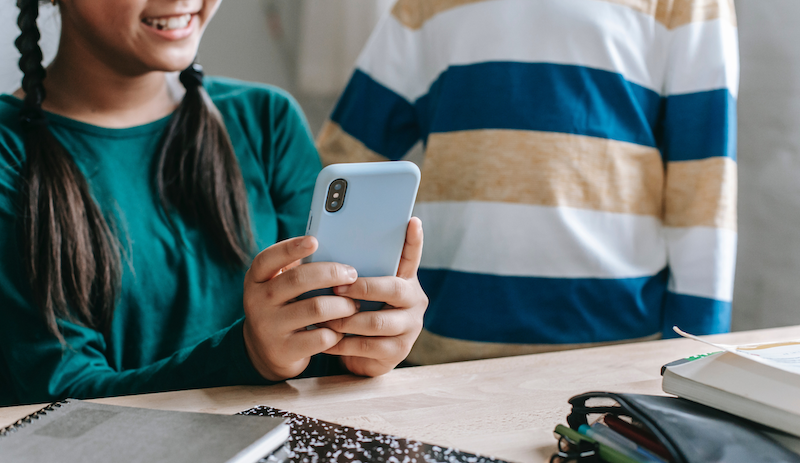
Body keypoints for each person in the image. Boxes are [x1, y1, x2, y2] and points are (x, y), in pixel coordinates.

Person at [0, 0, 428, 407]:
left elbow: (313, 350)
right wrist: (247, 356)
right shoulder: (9, 151)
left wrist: (359, 348)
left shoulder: (267, 121)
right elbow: (58, 397)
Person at [317, 0, 738, 364]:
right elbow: (342, 161)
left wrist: (698, 359)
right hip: (441, 351)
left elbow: (704, 191)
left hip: (613, 355)